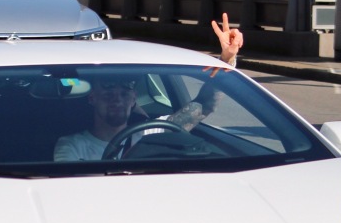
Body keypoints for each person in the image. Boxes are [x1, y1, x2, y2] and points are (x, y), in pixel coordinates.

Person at [55, 20, 240, 161]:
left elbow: (205, 104)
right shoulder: (72, 145)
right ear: (92, 98)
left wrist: (226, 59)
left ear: (134, 99)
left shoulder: (152, 133)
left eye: (124, 93)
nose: (117, 100)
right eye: (108, 93)